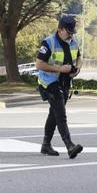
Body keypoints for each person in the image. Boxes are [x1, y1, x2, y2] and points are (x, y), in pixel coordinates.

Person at [36, 15, 84, 159]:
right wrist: (60, 69)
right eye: (68, 32)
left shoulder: (74, 41)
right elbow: (39, 64)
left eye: (72, 32)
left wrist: (77, 70)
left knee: (54, 114)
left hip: (64, 83)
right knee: (61, 114)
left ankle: (45, 145)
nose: (71, 35)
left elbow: (80, 58)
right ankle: (69, 146)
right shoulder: (48, 42)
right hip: (49, 83)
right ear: (59, 30)